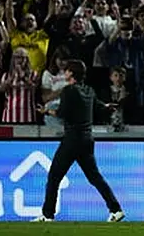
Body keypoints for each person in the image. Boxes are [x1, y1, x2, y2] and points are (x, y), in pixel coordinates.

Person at [32, 60, 124, 223]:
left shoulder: (69, 91)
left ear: (70, 73)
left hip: (72, 139)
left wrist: (47, 111)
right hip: (87, 139)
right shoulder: (89, 90)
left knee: (54, 176)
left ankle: (47, 214)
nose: (64, 74)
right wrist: (108, 106)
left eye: (66, 71)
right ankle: (116, 209)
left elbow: (62, 113)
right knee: (95, 177)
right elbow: (99, 107)